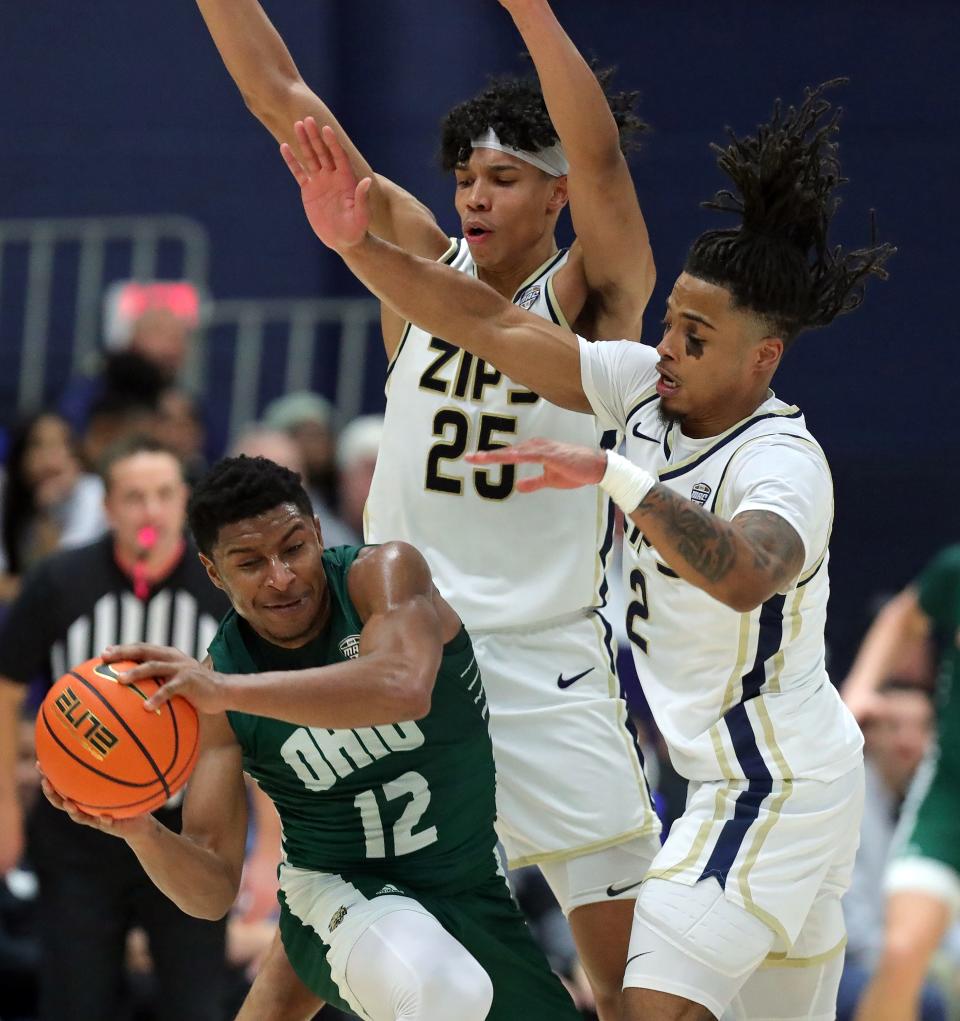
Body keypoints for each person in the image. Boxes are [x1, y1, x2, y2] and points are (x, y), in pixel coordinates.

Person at [284, 76, 894, 1020]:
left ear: (762, 355)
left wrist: (613, 478)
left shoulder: (784, 462)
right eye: (671, 328)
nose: (669, 347)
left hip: (771, 778)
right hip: (720, 774)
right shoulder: (642, 385)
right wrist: (352, 246)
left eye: (695, 336)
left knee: (641, 1002)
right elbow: (484, 323)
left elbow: (741, 574)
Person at [197, 0, 659, 1015]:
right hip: (404, 649)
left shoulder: (593, 295)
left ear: (556, 194)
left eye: (503, 178)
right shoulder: (411, 263)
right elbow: (283, 97)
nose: (476, 198)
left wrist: (530, 12)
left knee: (631, 991)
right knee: (321, 938)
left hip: (547, 662)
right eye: (464, 179)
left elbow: (609, 168)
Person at [42, 454, 582, 1021]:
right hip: (334, 894)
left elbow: (401, 687)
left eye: (294, 548)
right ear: (213, 572)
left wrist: (228, 690)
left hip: (467, 885)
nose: (281, 576)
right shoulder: (220, 690)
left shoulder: (383, 576)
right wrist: (139, 830)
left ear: (318, 534)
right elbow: (212, 891)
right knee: (442, 989)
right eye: (249, 562)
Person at [0, 435, 232, 1021]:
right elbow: (3, 690)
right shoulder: (60, 580)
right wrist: (3, 806)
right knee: (75, 1005)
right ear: (107, 508)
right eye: (133, 496)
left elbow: (254, 724)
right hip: (76, 830)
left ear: (184, 501)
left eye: (162, 494)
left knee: (196, 1005)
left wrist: (266, 851)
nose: (149, 510)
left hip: (187, 831)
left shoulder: (222, 593)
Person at [842, 545, 960, 1021]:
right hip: (949, 794)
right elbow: (904, 617)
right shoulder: (954, 569)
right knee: (902, 949)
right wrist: (860, 689)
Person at [836, 682, 948, 1021]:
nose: (908, 742)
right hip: (841, 963)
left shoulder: (930, 803)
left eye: (922, 728)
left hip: (901, 954)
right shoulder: (846, 800)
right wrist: (917, 963)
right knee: (926, 998)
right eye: (894, 727)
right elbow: (852, 932)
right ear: (869, 734)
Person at [0, 411, 107, 604]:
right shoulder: (5, 490)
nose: (50, 457)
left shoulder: (91, 492)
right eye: (38, 445)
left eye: (60, 444)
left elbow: (66, 576)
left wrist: (47, 513)